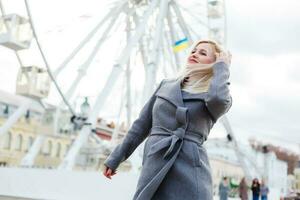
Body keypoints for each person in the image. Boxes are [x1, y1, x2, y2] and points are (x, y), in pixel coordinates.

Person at [103, 39, 232, 200]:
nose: (195, 54)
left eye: (203, 53)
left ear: (214, 63)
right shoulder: (165, 85)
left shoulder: (215, 94)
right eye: (194, 50)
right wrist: (116, 157)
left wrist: (222, 67)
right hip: (156, 160)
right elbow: (141, 125)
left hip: (190, 169)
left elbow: (218, 99)